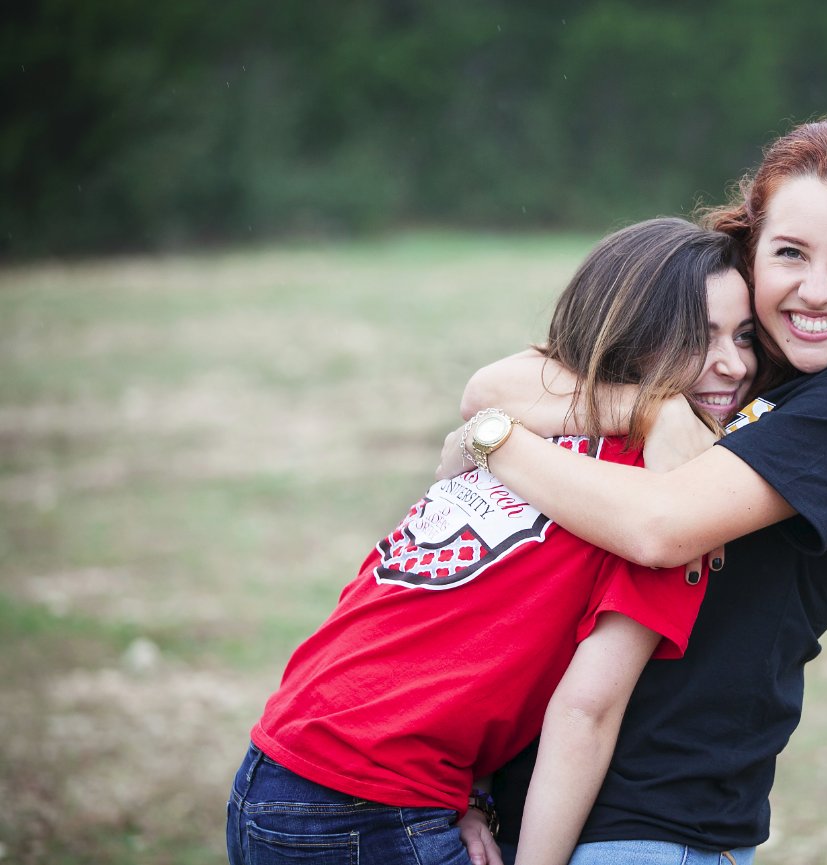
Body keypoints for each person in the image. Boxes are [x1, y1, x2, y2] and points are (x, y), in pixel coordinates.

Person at [438, 119, 827, 865]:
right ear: (750, 251)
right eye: (789, 253)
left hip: (655, 822)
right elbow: (493, 384)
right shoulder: (730, 356)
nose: (815, 290)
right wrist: (648, 407)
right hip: (517, 800)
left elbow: (660, 528)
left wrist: (495, 443)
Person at [225, 217, 757, 865]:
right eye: (698, 339)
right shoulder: (655, 502)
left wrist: (468, 790)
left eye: (744, 336)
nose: (734, 365)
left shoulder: (523, 432)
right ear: (633, 338)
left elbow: (441, 619)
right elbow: (585, 712)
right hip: (374, 802)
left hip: (276, 764)